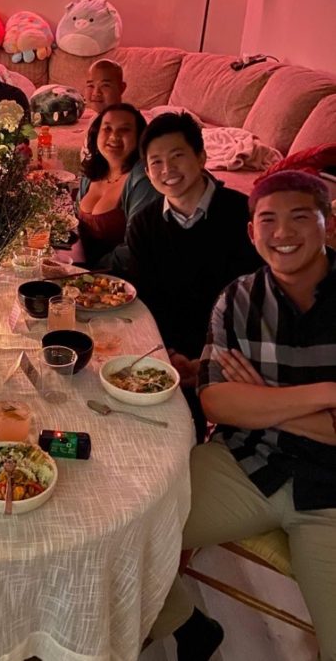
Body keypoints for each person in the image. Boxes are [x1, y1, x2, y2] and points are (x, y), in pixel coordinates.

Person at [149, 171, 336, 660]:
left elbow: (238, 402)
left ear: (329, 224)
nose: (282, 232)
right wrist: (325, 394)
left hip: (330, 499)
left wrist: (261, 401)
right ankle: (188, 625)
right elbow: (216, 402)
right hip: (245, 464)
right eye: (268, 220)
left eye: (300, 217)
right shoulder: (237, 299)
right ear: (252, 233)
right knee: (127, 532)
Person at [127, 112, 261, 441]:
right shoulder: (144, 224)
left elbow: (254, 297)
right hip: (170, 350)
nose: (167, 170)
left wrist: (207, 359)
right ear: (147, 172)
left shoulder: (242, 214)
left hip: (233, 351)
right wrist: (170, 352)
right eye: (156, 162)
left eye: (177, 156)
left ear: (201, 157)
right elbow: (148, 296)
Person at [75, 103, 147, 265]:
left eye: (125, 130)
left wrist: (91, 268)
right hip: (82, 268)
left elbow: (137, 246)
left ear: (139, 138)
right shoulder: (91, 173)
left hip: (121, 273)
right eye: (107, 129)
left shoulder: (142, 179)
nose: (114, 136)